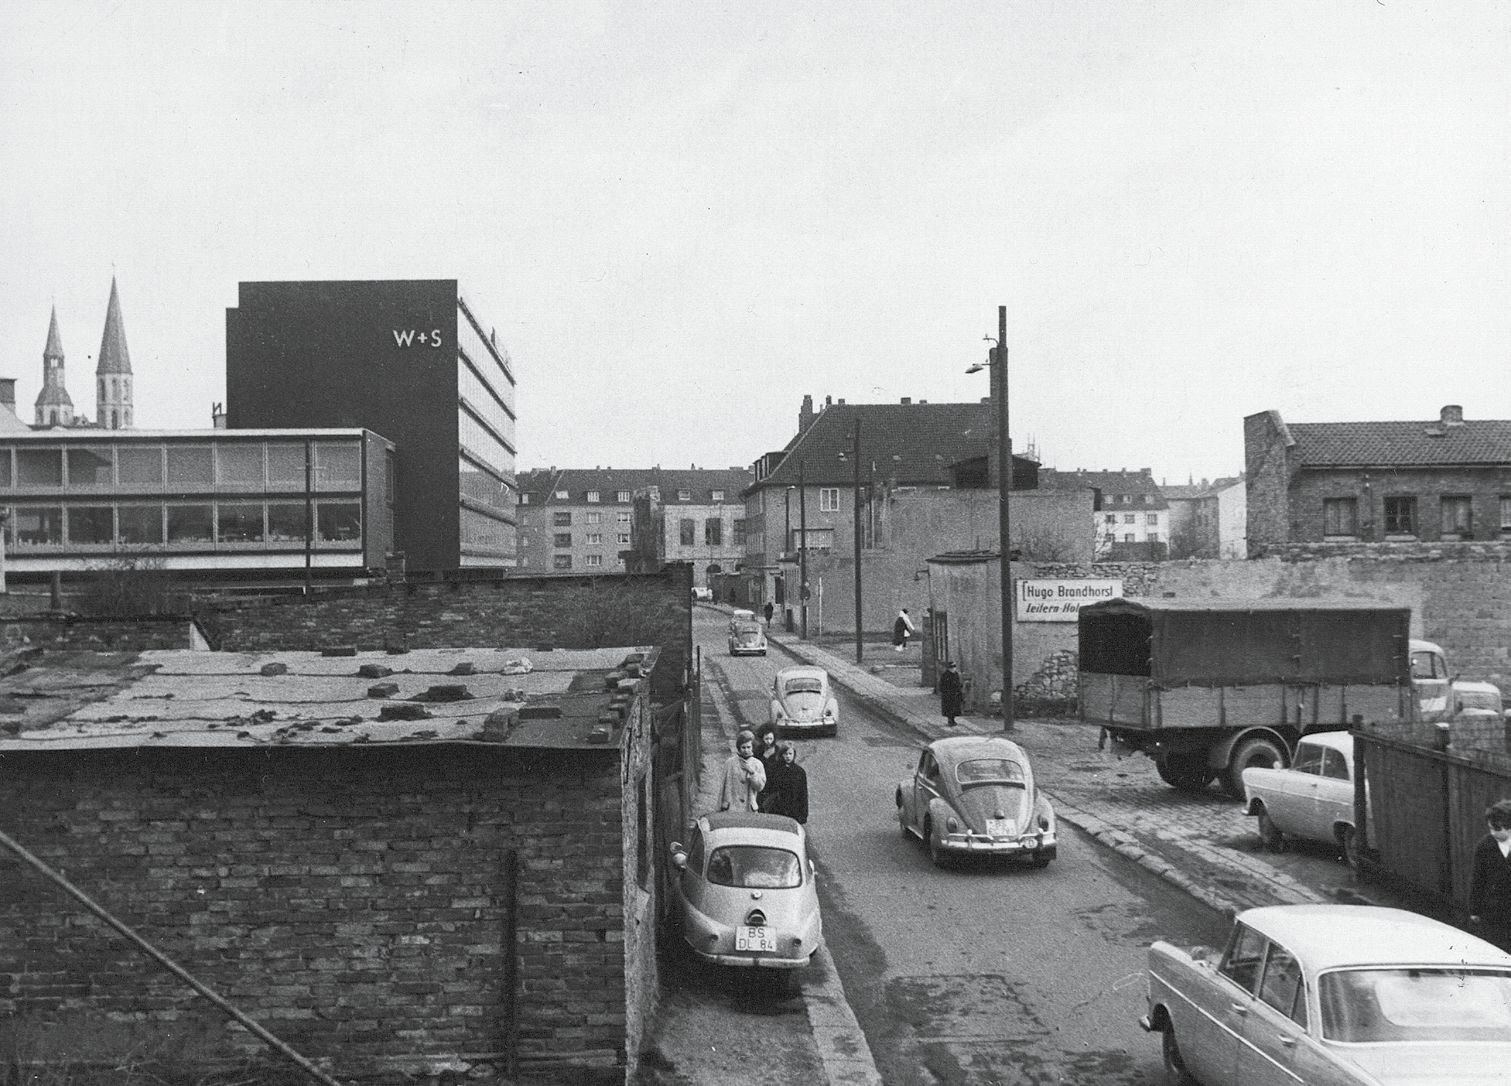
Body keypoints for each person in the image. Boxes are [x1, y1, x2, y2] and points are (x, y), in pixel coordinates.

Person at [1469, 798, 1511, 951]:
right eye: (1490, 828)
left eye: (1497, 829)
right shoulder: (1485, 846)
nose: (1492, 833)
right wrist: (1474, 910)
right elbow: (1477, 879)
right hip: (1493, 914)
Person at [718, 730, 766, 813]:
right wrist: (719, 808)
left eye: (748, 747)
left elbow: (760, 787)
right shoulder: (730, 763)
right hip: (731, 807)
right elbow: (723, 786)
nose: (746, 750)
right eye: (743, 747)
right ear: (739, 748)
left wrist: (752, 772)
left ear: (752, 747)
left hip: (749, 807)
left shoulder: (757, 764)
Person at [763, 742, 809, 824]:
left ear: (794, 754)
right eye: (785, 754)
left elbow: (803, 793)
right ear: (781, 755)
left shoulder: (799, 772)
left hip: (794, 808)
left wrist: (804, 813)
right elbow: (768, 789)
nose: (788, 756)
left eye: (790, 753)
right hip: (777, 808)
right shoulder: (775, 769)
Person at [939, 661, 964, 727]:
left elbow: (958, 683)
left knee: (955, 708)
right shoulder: (945, 675)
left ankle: (953, 719)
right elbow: (942, 685)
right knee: (949, 708)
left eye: (954, 667)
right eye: (951, 668)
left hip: (955, 694)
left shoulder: (956, 674)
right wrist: (945, 692)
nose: (953, 669)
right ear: (949, 668)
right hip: (948, 695)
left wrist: (959, 688)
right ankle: (950, 719)